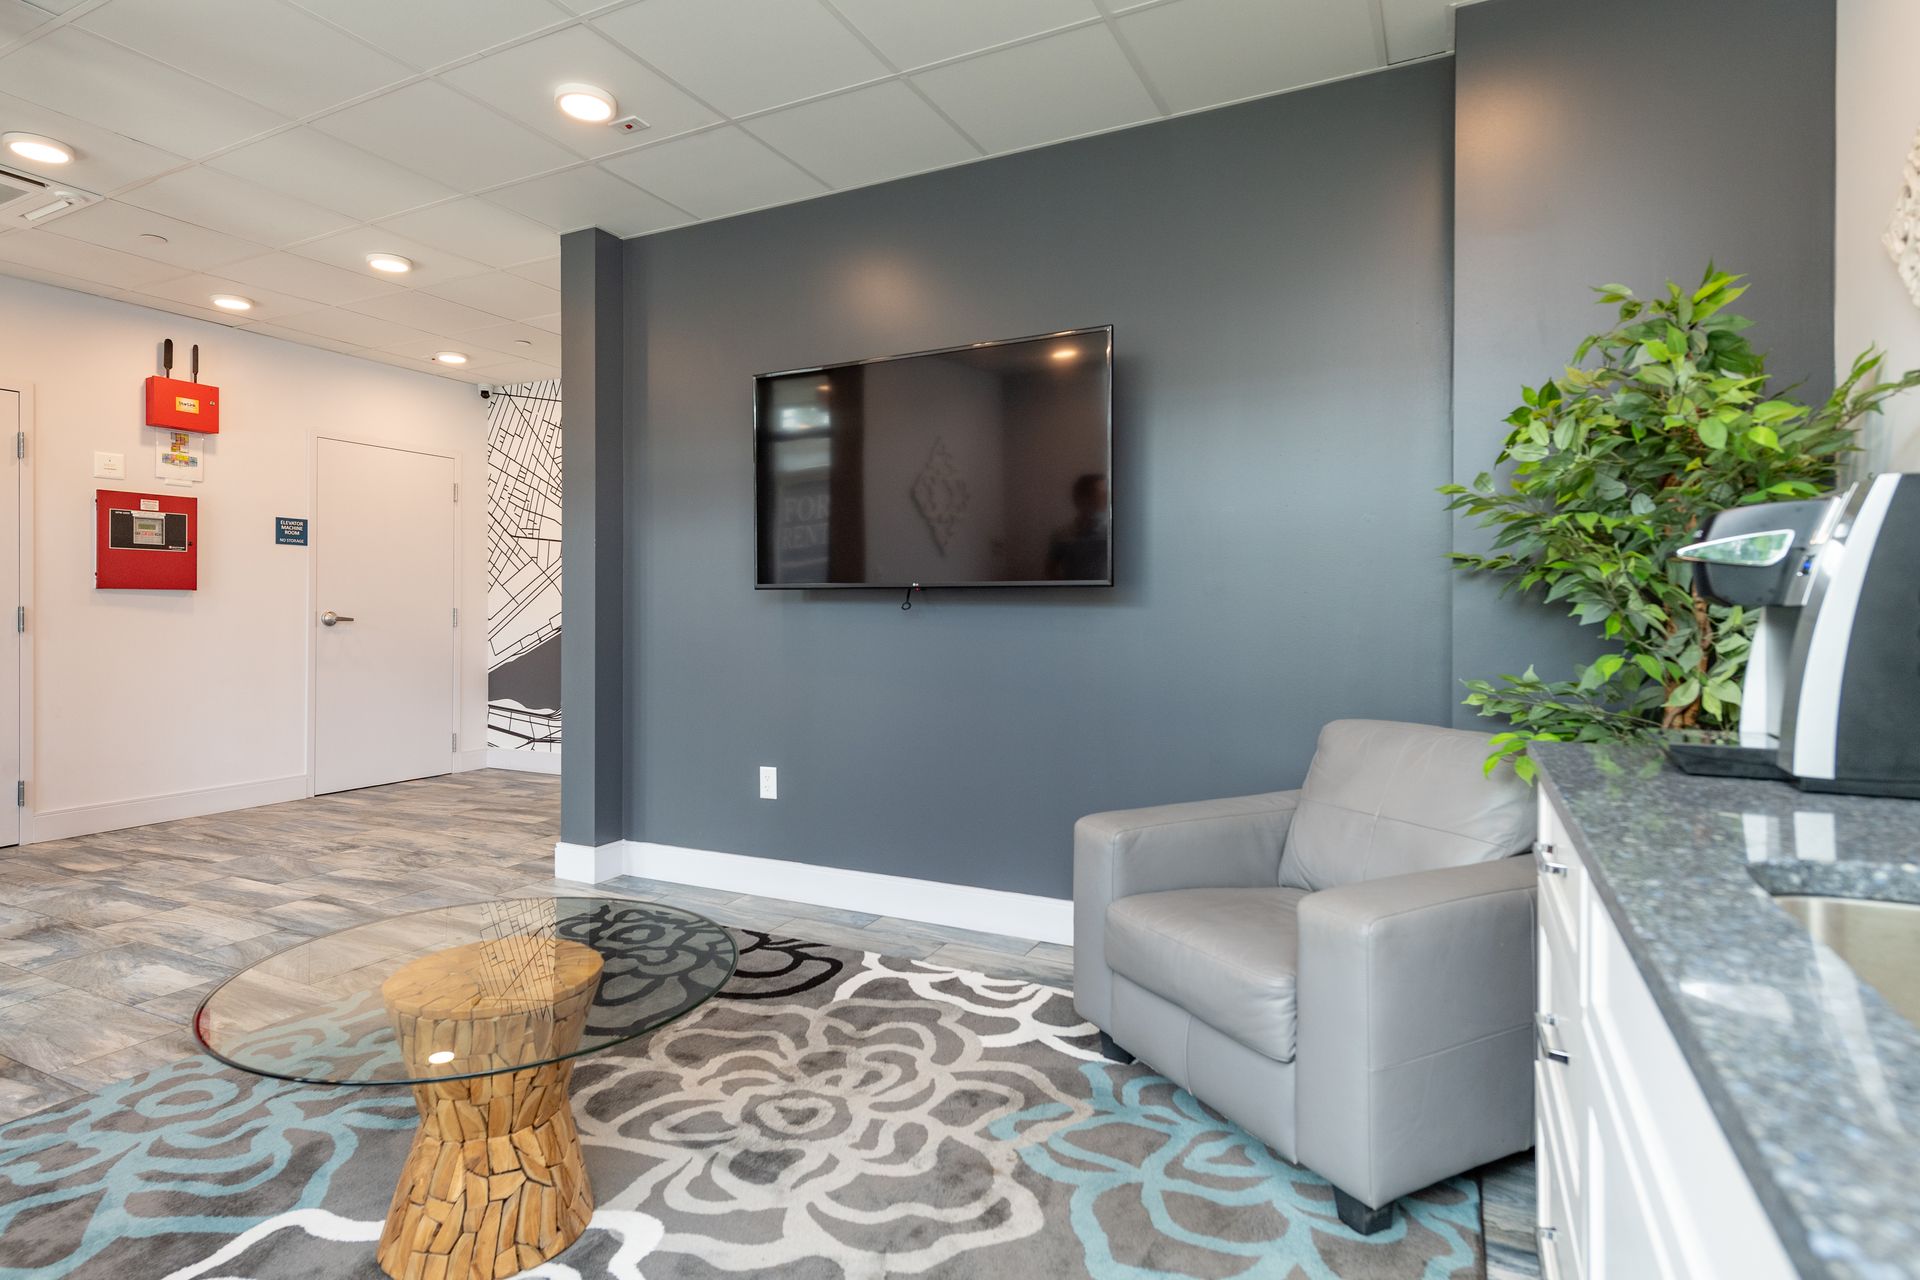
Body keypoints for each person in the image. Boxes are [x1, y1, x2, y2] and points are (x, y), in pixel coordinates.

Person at [1045, 473, 1110, 580]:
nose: (1104, 501)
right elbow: (1050, 571)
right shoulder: (1062, 535)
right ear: (1081, 499)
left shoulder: (1113, 535)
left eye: (1105, 496)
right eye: (1098, 496)